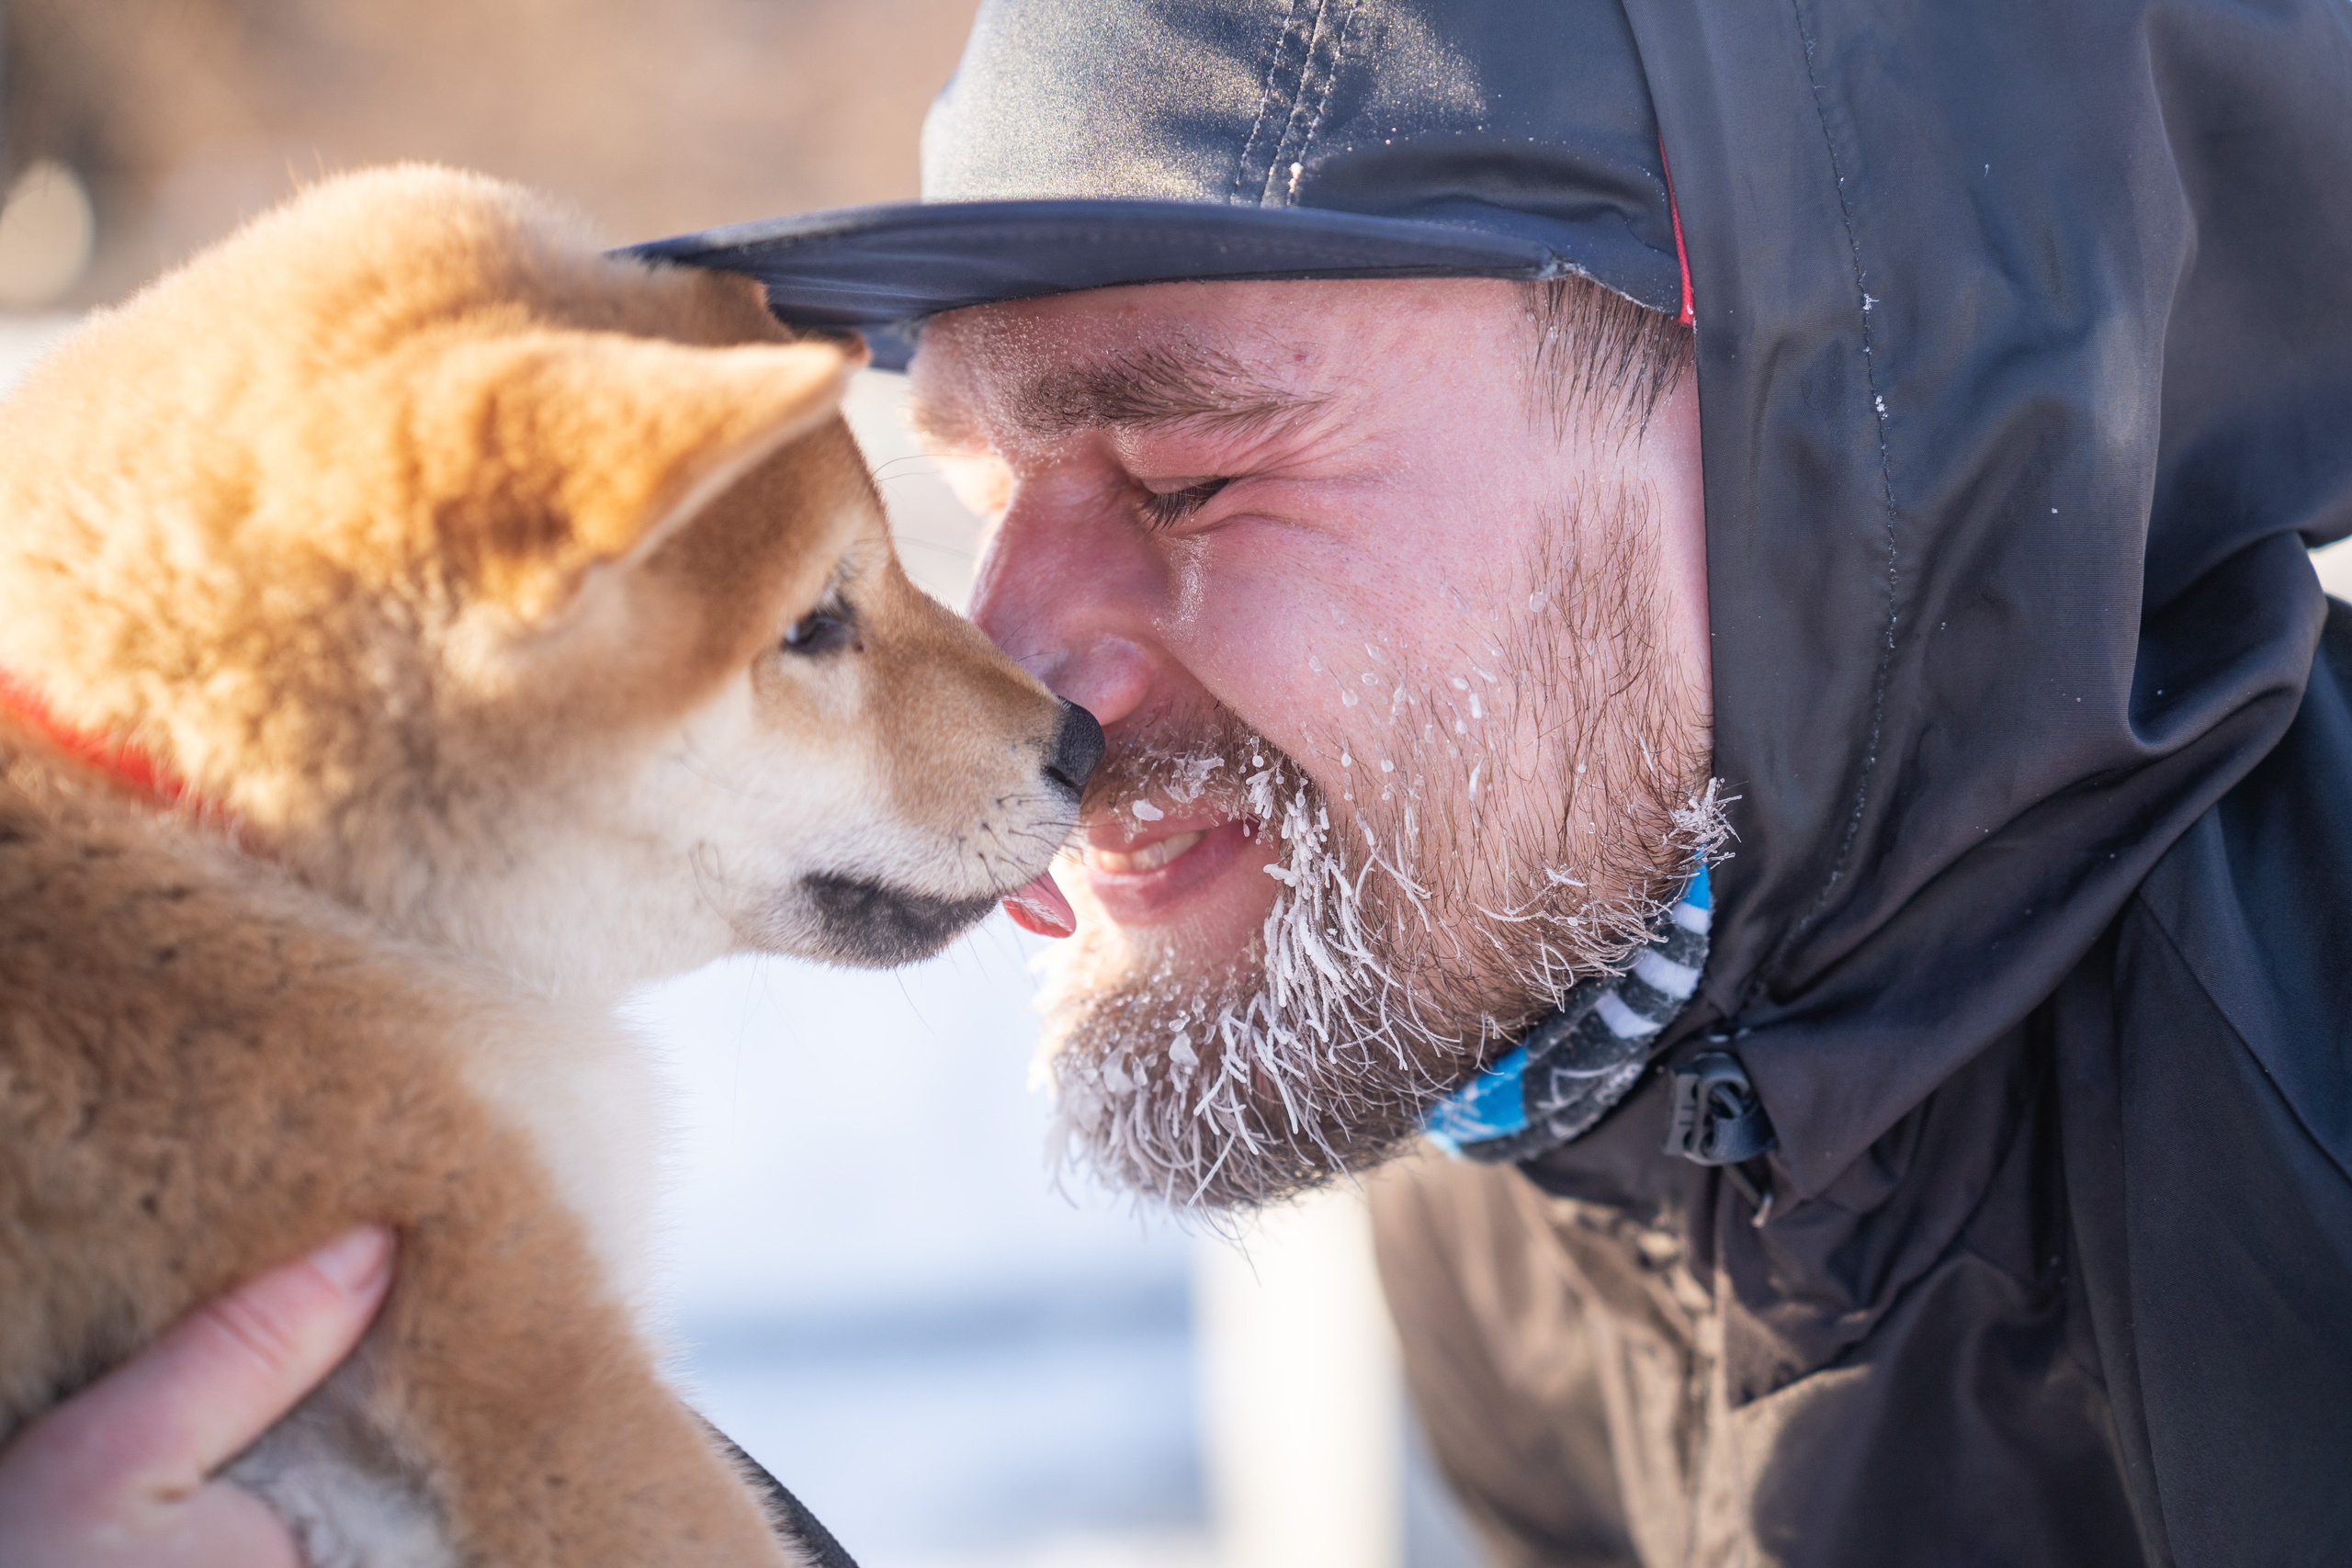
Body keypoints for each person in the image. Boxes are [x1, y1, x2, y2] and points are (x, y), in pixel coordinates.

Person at [15, 0, 2351, 1561]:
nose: (1020, 654)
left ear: (1811, 450)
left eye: (1185, 469)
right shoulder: (1538, 1115)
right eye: (980, 478)